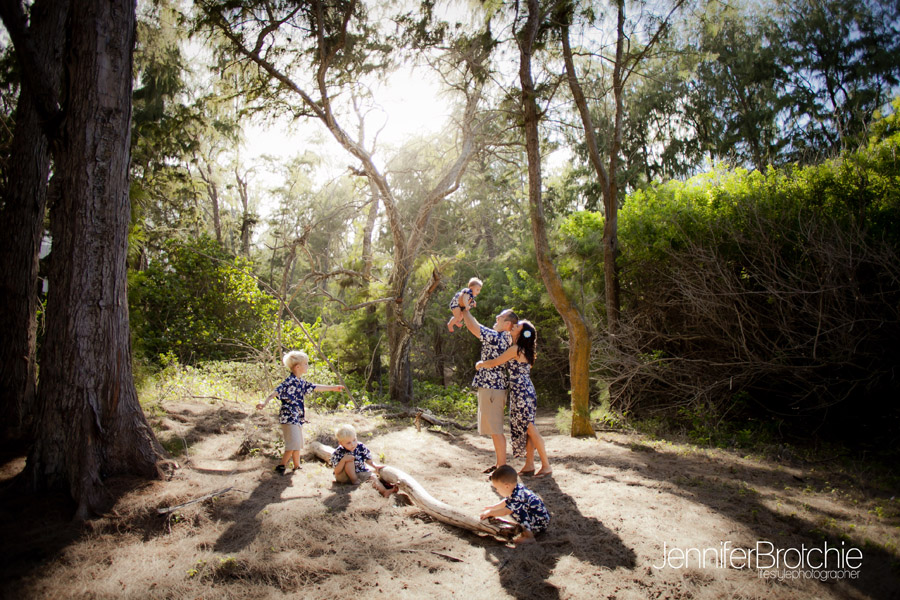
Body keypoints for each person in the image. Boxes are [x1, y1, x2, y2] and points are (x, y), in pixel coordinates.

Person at [476, 320, 552, 478]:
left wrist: (481, 364)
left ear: (522, 334)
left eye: (517, 327)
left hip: (522, 392)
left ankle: (546, 465)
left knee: (530, 428)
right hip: (524, 391)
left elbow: (496, 362)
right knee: (528, 429)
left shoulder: (516, 349)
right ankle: (529, 465)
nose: (514, 326)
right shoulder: (524, 350)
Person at [257, 351, 344, 475]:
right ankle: (282, 465)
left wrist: (333, 388)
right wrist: (264, 402)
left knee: (297, 443)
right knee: (292, 443)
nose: (307, 366)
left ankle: (297, 466)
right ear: (298, 367)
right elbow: (276, 391)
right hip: (288, 416)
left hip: (297, 416)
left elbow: (315, 387)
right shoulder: (289, 382)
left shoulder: (300, 382)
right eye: (306, 364)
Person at [461, 307, 518, 473]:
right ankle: (499, 464)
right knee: (494, 429)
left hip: (493, 388)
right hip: (491, 387)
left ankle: (502, 467)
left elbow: (473, 327)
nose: (496, 316)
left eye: (501, 316)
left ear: (507, 323)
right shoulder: (503, 337)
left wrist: (464, 309)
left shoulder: (497, 337)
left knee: (496, 429)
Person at [479, 465, 550, 545]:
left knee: (518, 512)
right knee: (517, 508)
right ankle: (526, 533)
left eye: (497, 488)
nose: (497, 491)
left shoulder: (517, 497)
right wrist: (494, 507)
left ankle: (530, 537)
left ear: (506, 486)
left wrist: (490, 512)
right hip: (539, 517)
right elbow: (506, 501)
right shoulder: (517, 488)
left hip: (540, 521)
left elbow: (506, 511)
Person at [330, 424, 397, 497]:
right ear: (341, 443)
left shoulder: (360, 446)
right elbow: (337, 471)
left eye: (354, 440)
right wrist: (343, 460)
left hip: (359, 472)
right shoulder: (338, 452)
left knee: (373, 477)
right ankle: (354, 480)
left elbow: (368, 459)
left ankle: (384, 491)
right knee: (349, 458)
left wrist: (375, 466)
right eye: (348, 443)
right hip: (343, 476)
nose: (353, 444)